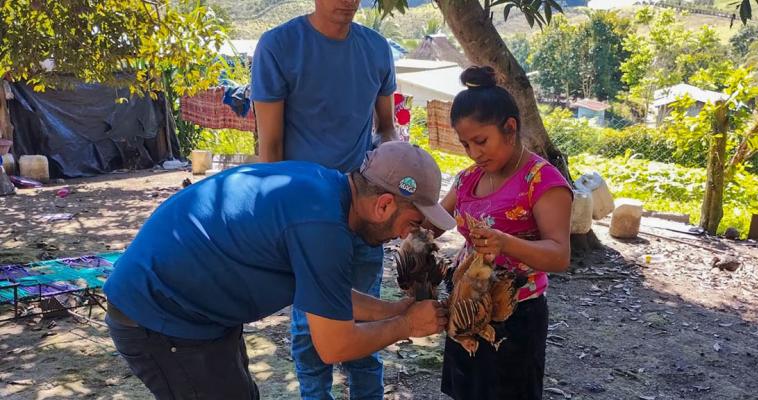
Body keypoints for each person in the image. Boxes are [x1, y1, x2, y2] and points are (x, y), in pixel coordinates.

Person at [103, 142, 455, 399]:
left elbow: (326, 296)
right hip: (161, 317)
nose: (406, 235)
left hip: (196, 312)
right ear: (384, 205)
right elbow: (334, 345)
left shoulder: (322, 189)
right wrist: (407, 325)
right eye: (412, 222)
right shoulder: (323, 228)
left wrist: (394, 310)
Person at [250, 0, 398, 397]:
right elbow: (271, 147)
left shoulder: (376, 48)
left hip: (365, 213)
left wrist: (397, 169)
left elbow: (386, 129)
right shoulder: (279, 46)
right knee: (310, 333)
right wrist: (277, 219)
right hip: (306, 217)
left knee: (366, 327)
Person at [429, 66, 573, 400]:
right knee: (466, 392)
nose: (474, 153)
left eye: (481, 141)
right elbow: (436, 221)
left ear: (510, 128)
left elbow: (559, 255)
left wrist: (505, 243)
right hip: (466, 304)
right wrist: (409, 215)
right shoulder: (469, 178)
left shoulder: (542, 181)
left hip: (515, 315)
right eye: (466, 144)